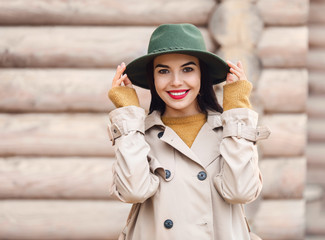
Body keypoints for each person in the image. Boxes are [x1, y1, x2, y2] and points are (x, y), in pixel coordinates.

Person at [107, 23, 270, 240]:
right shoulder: (138, 136)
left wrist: (237, 107)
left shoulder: (229, 131)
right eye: (163, 71)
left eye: (188, 69)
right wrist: (128, 114)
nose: (176, 82)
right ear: (152, 79)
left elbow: (241, 191)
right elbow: (132, 191)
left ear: (202, 74)